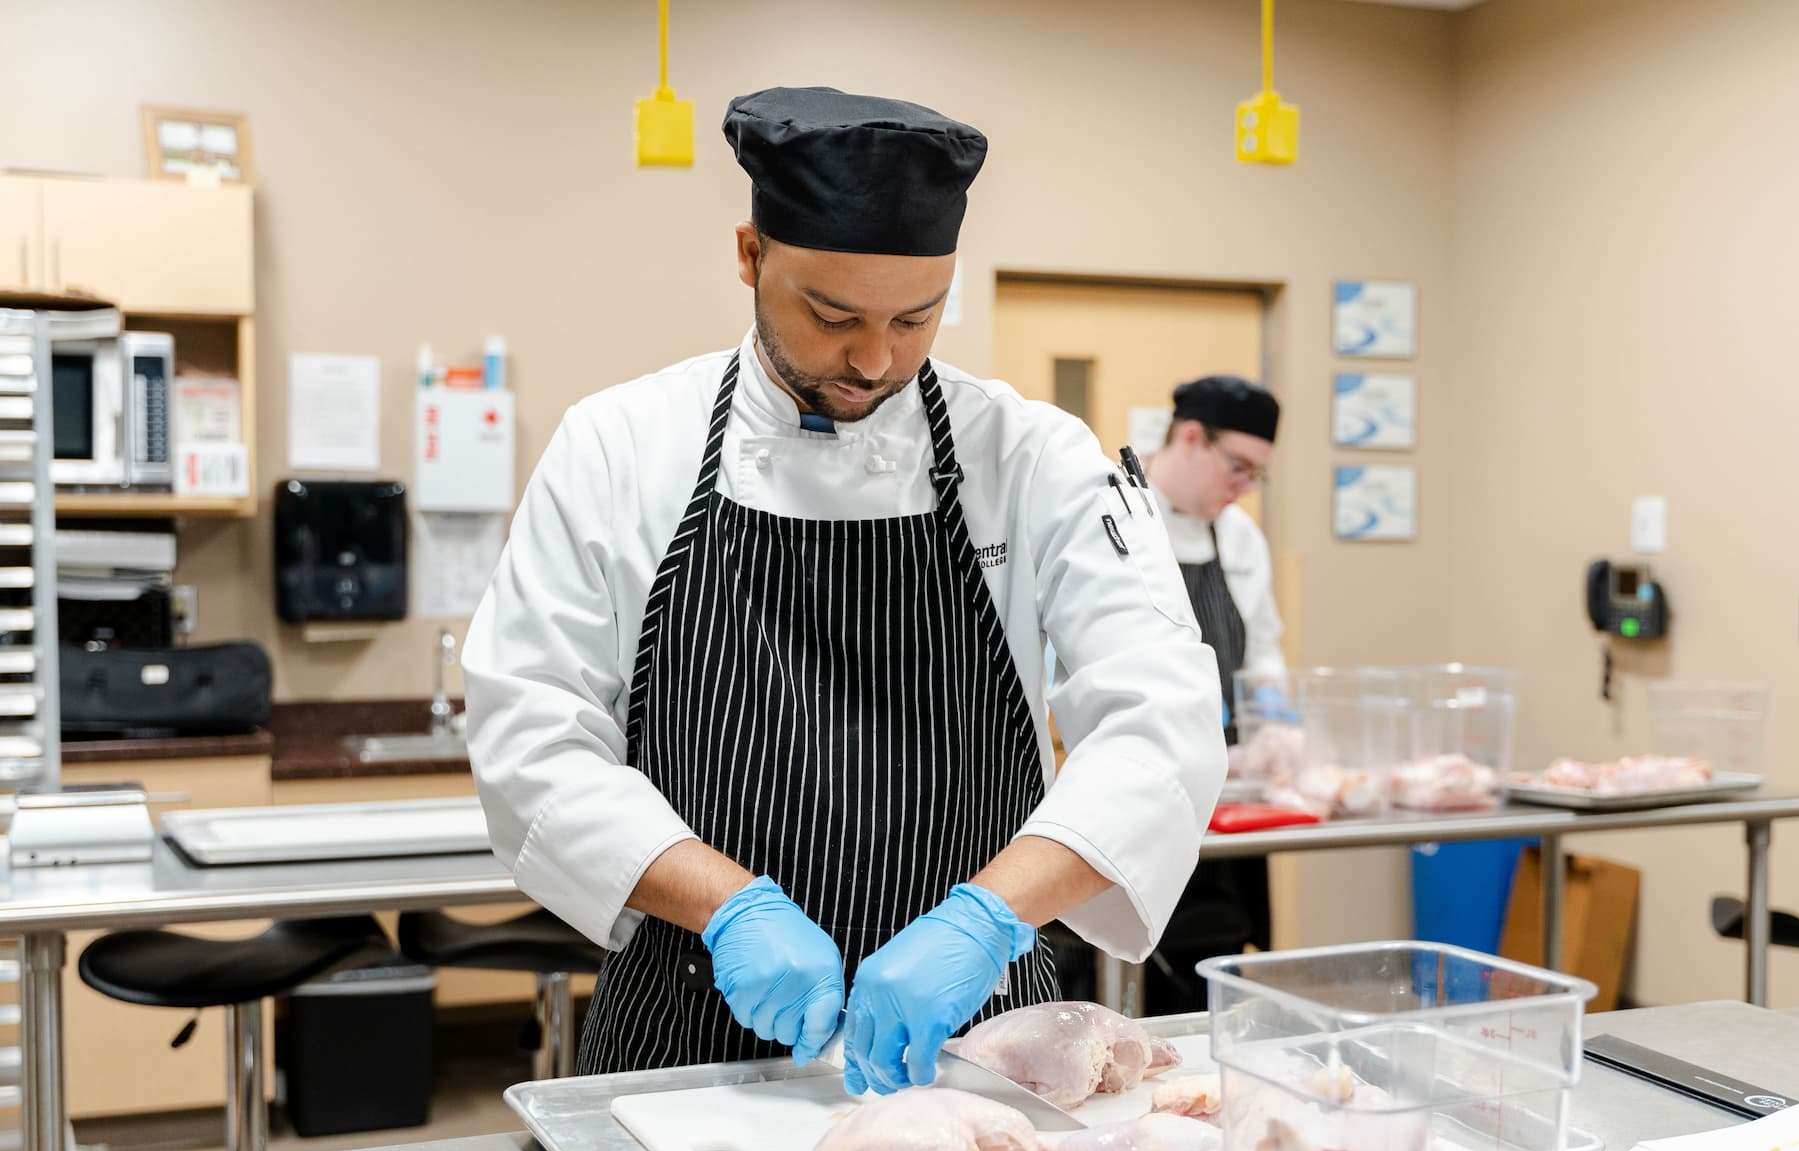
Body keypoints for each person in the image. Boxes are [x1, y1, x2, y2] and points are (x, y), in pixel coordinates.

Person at [463, 87, 1223, 1094]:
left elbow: (1160, 724)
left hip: (975, 1034)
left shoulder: (1030, 453)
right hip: (689, 1025)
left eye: (917, 318)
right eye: (831, 316)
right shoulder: (619, 445)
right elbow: (532, 733)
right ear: (749, 256)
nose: (874, 359)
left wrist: (985, 918)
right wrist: (730, 906)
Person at [1139, 375, 1283, 1011]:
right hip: (1138, 781)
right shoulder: (1113, 512)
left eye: (1256, 475)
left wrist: (1278, 729)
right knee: (1134, 956)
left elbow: (1264, 652)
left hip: (1225, 790)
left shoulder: (1239, 536)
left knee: (1215, 953)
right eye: (1237, 467)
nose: (1243, 487)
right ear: (1191, 437)